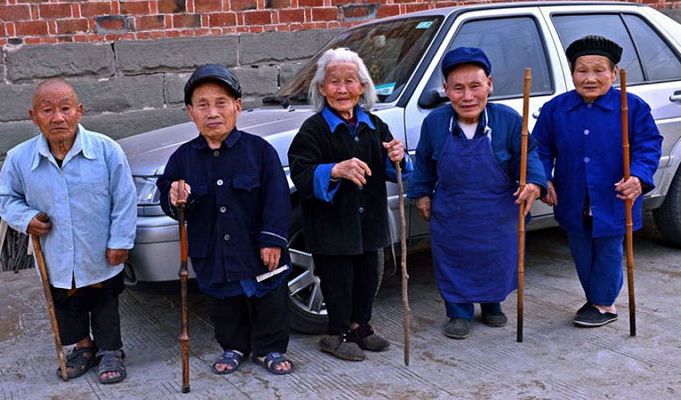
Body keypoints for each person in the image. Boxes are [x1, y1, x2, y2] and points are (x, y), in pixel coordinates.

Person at [0, 78, 136, 383]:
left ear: (79, 111)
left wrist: (121, 241)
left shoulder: (106, 150)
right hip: (56, 251)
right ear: (33, 116)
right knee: (66, 300)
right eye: (47, 110)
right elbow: (5, 199)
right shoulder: (19, 158)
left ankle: (111, 350)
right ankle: (82, 347)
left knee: (104, 300)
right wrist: (26, 218)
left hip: (99, 249)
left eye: (65, 108)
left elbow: (124, 199)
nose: (58, 118)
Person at [157, 64, 294, 375]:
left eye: (221, 103)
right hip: (213, 251)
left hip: (256, 247)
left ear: (238, 107)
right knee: (224, 304)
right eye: (202, 105)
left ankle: (269, 348)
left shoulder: (259, 151)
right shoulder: (183, 157)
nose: (212, 112)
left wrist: (272, 239)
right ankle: (233, 347)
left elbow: (277, 198)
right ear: (190, 112)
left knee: (269, 299)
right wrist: (174, 195)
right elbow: (166, 192)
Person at [407, 47, 548, 339]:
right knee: (454, 260)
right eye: (457, 88)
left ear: (490, 84)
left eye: (475, 86)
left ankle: (492, 305)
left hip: (498, 211)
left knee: (496, 259)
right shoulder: (435, 123)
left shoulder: (508, 120)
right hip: (453, 211)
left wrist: (534, 183)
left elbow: (529, 155)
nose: (467, 96)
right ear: (446, 90)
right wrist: (421, 193)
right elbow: (423, 162)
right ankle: (458, 312)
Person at [288, 48, 412, 361]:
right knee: (338, 281)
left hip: (369, 222)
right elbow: (301, 172)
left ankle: (361, 327)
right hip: (332, 225)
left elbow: (392, 166)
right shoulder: (313, 129)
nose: (342, 89)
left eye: (350, 82)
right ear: (321, 88)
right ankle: (336, 334)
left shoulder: (373, 125)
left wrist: (398, 157)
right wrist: (333, 170)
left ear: (362, 88)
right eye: (333, 82)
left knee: (368, 277)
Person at [532, 35, 662, 327]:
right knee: (581, 249)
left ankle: (604, 304)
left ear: (614, 73)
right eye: (582, 70)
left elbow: (649, 145)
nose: (590, 78)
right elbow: (540, 148)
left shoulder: (633, 107)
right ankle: (596, 299)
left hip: (614, 194)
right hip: (573, 194)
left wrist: (638, 178)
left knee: (608, 249)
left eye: (599, 70)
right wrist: (542, 178)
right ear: (572, 73)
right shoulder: (557, 109)